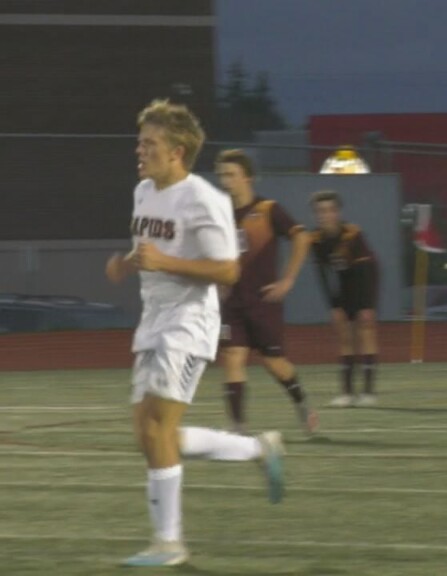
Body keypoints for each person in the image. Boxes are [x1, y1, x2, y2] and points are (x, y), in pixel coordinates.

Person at [105, 100, 285, 567]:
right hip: (153, 320)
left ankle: (170, 543)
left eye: (150, 143)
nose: (140, 150)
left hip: (189, 325)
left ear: (178, 151)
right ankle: (257, 448)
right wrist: (125, 264)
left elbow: (227, 269)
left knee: (159, 427)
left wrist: (167, 263)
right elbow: (147, 248)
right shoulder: (144, 190)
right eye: (140, 141)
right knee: (149, 435)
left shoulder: (204, 199)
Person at [215, 149, 318, 435]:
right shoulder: (218, 214)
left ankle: (301, 403)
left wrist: (287, 280)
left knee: (275, 364)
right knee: (233, 357)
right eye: (222, 175)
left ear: (247, 177)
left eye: (231, 175)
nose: (225, 181)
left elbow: (302, 237)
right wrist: (216, 279)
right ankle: (238, 426)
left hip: (263, 302)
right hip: (232, 303)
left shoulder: (269, 210)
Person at [309, 190, 381, 407]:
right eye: (320, 211)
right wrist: (334, 305)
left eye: (330, 210)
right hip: (342, 284)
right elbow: (323, 274)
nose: (325, 215)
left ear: (337, 212)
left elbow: (366, 269)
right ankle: (347, 393)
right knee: (344, 334)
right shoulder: (316, 239)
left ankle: (369, 392)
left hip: (364, 279)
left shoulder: (352, 234)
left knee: (366, 327)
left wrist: (367, 304)